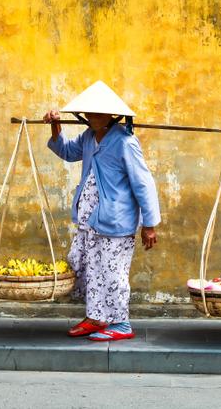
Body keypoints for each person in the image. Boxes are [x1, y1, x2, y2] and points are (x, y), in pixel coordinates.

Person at [43, 81, 161, 342]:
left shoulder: (125, 142)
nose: (92, 117)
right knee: (90, 268)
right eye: (89, 113)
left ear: (112, 114)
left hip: (115, 221)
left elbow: (143, 183)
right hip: (89, 221)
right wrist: (55, 125)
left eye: (99, 112)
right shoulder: (87, 137)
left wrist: (149, 224)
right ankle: (97, 316)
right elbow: (66, 151)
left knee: (113, 272)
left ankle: (120, 322)